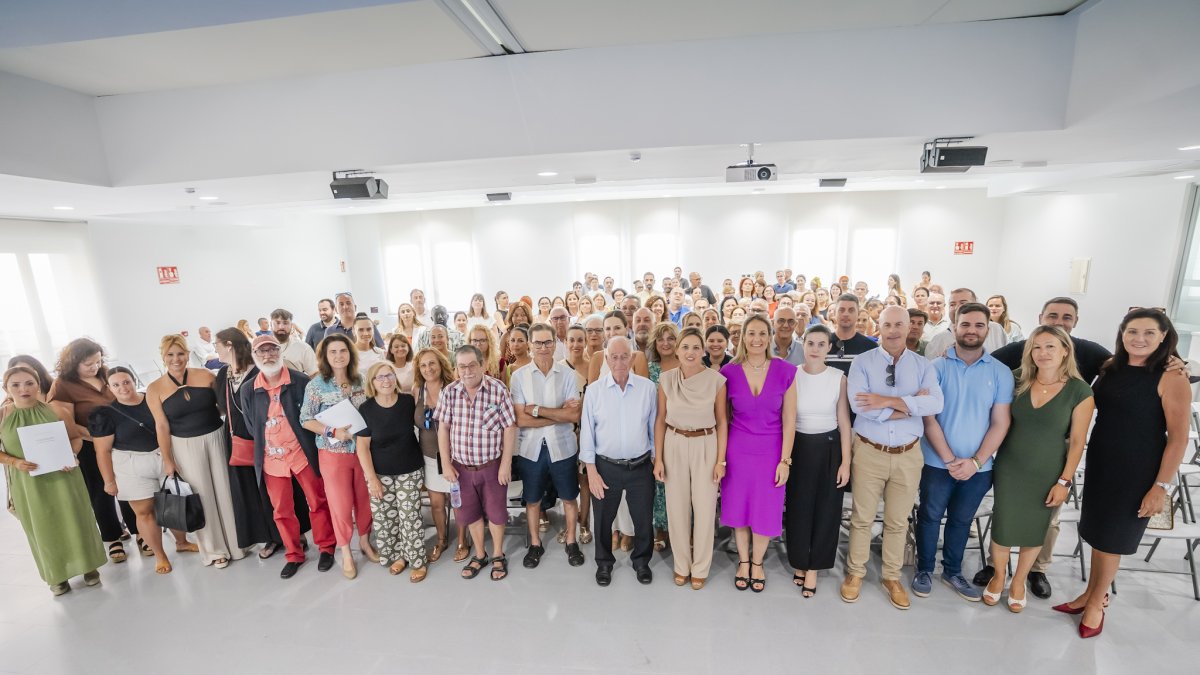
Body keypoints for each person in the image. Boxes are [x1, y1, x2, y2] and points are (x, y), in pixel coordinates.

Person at [1063, 309, 1190, 638]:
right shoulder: (1110, 367)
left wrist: (1160, 486)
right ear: (1122, 334)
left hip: (1139, 469)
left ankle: (1097, 603)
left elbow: (1178, 438)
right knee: (1096, 533)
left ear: (1164, 336)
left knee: (1113, 539)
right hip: (1103, 462)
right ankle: (1089, 594)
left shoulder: (1171, 375)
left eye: (1149, 333)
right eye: (1133, 331)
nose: (1140, 338)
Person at [984, 326, 1093, 612]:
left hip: (1047, 470)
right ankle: (998, 577)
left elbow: (1078, 442)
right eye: (1037, 347)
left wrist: (1064, 481)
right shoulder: (1017, 380)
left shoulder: (1080, 391)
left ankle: (1019, 580)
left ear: (1065, 350)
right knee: (1003, 525)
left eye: (1050, 347)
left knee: (1035, 529)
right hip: (1010, 466)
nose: (1043, 353)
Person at [842, 307, 943, 609]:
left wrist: (886, 402)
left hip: (908, 455)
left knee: (898, 520)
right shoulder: (862, 362)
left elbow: (935, 402)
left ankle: (891, 576)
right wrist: (912, 405)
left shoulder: (923, 365)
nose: (894, 330)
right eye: (888, 325)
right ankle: (855, 573)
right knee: (862, 518)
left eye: (900, 324)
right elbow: (861, 407)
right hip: (870, 451)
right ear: (879, 327)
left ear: (910, 326)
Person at [913, 303, 1013, 603]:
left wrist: (974, 462)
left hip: (978, 469)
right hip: (936, 462)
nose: (971, 330)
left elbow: (1000, 422)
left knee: (961, 520)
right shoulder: (936, 368)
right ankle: (924, 569)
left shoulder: (1001, 372)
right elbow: (928, 418)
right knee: (930, 517)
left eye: (978, 325)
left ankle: (953, 571)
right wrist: (948, 459)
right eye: (965, 324)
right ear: (954, 327)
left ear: (988, 328)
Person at [1, 365, 106, 595]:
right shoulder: (3, 415)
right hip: (28, 482)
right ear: (6, 388)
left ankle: (89, 567)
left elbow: (76, 438)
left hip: (64, 475)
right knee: (42, 527)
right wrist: (14, 462)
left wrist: (72, 455)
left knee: (76, 519)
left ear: (38, 384)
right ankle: (56, 576)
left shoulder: (56, 410)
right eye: (15, 385)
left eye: (29, 383)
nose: (23, 389)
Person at [241, 334, 337, 579]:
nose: (267, 355)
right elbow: (252, 426)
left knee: (317, 502)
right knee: (281, 511)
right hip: (271, 459)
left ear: (280, 351)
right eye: (261, 352)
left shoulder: (301, 381)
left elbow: (313, 417)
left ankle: (326, 547)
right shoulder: (248, 389)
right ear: (254, 356)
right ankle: (294, 553)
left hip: (302, 454)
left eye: (272, 350)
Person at [146, 334, 243, 568]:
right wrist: (167, 460)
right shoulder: (155, 389)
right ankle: (213, 550)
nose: (176, 359)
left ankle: (238, 544)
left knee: (225, 491)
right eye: (170, 355)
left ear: (188, 355)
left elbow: (225, 407)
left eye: (180, 354)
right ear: (163, 357)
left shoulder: (206, 376)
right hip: (185, 445)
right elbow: (161, 426)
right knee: (203, 496)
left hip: (216, 437)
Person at [720, 314, 797, 592]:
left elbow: (790, 420)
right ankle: (743, 561)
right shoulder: (728, 372)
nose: (756, 339)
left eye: (762, 333)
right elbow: (723, 419)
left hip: (771, 451)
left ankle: (757, 563)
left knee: (765, 510)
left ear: (770, 336)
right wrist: (721, 458)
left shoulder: (785, 370)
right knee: (739, 508)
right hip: (737, 451)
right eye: (751, 333)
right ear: (742, 337)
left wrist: (785, 460)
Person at [436, 345, 518, 582]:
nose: (468, 371)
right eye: (462, 366)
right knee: (470, 514)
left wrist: (505, 464)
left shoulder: (498, 390)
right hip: (461, 469)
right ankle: (480, 554)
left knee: (496, 514)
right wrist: (446, 463)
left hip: (491, 467)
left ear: (482, 365)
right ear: (456, 369)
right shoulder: (449, 392)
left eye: (472, 365)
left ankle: (498, 554)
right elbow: (443, 429)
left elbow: (509, 428)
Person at [653, 327, 727, 590]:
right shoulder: (666, 379)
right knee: (677, 507)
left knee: (705, 508)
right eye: (685, 347)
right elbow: (660, 420)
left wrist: (721, 460)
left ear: (703, 350)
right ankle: (681, 564)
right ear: (677, 349)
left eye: (696, 347)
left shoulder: (716, 380)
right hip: (674, 442)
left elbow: (722, 421)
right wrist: (659, 458)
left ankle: (701, 567)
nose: (691, 352)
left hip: (706, 444)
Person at [299, 333, 377, 579]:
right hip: (333, 454)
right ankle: (345, 551)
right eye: (333, 352)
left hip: (362, 451)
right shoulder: (316, 385)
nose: (338, 356)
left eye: (343, 351)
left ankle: (364, 541)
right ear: (325, 356)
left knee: (364, 500)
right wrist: (332, 431)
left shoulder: (361, 381)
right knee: (340, 504)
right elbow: (305, 420)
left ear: (350, 354)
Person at [581, 337, 658, 587]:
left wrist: (657, 460)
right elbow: (587, 433)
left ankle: (641, 562)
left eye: (624, 356)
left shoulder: (648, 388)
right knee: (603, 519)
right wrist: (591, 470)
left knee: (643, 517)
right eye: (613, 356)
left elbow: (653, 428)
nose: (619, 361)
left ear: (633, 358)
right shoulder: (594, 391)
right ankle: (604, 563)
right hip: (605, 467)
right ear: (606, 359)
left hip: (641, 465)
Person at [213, 328, 295, 562]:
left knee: (271, 490)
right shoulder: (223, 375)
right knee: (246, 490)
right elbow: (221, 405)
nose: (215, 350)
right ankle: (266, 536)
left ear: (229, 345)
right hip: (235, 438)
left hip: (266, 438)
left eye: (217, 344)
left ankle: (287, 535)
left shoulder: (259, 371)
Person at [511, 323, 585, 569]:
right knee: (532, 500)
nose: (543, 348)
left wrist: (537, 410)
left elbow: (573, 416)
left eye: (548, 342)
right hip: (530, 449)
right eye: (538, 343)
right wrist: (556, 414)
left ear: (556, 344)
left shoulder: (568, 375)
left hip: (562, 446)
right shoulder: (518, 377)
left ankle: (571, 541)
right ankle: (535, 544)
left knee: (569, 497)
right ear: (530, 345)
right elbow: (520, 419)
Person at [47, 338, 127, 564]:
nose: (94, 367)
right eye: (88, 364)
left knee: (126, 485)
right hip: (90, 445)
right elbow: (67, 423)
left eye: (98, 361)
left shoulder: (106, 374)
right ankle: (113, 539)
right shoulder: (63, 384)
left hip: (120, 442)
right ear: (74, 362)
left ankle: (138, 531)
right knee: (101, 492)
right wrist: (99, 438)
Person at [786, 325, 851, 598]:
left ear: (829, 347)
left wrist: (846, 462)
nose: (815, 349)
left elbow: (844, 422)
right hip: (798, 445)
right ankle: (800, 561)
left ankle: (814, 567)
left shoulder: (839, 378)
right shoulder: (792, 375)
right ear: (803, 344)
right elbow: (787, 419)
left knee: (826, 508)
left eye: (821, 344)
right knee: (799, 507)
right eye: (810, 343)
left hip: (828, 447)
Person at [90, 366, 175, 574]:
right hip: (130, 464)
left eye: (126, 382)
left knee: (173, 504)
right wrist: (109, 481)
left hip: (163, 456)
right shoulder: (105, 414)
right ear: (109, 388)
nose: (123, 388)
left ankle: (181, 542)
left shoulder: (152, 398)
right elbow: (102, 451)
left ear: (134, 380)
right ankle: (160, 555)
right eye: (116, 384)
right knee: (144, 511)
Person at [354, 361, 428, 582]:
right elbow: (362, 448)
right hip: (379, 474)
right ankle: (398, 556)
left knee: (409, 517)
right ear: (372, 382)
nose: (386, 380)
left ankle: (417, 560)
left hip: (410, 469)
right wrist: (372, 479)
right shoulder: (366, 409)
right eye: (380, 377)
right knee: (386, 519)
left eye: (390, 375)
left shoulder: (407, 402)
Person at [412, 347, 467, 563]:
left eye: (432, 363)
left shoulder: (454, 388)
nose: (428, 368)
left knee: (458, 501)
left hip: (455, 456)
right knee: (436, 503)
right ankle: (442, 540)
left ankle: (463, 540)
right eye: (423, 365)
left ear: (441, 363)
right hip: (429, 456)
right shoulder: (418, 390)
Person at [646, 321, 681, 551]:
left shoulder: (687, 364)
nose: (666, 343)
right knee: (659, 484)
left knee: (682, 484)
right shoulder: (649, 369)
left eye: (670, 338)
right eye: (661, 339)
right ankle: (661, 529)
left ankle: (682, 530)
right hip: (656, 431)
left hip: (683, 432)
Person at [558, 324, 594, 545]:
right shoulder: (558, 369)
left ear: (586, 342)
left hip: (587, 433)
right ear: (565, 342)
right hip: (565, 432)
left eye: (580, 340)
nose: (576, 344)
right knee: (567, 482)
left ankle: (584, 524)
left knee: (585, 482)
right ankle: (569, 523)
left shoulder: (593, 368)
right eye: (572, 340)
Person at [924, 288, 1008, 359]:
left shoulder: (996, 330)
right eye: (952, 304)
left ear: (976, 304)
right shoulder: (939, 340)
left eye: (963, 303)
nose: (957, 308)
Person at [826, 294, 877, 375]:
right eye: (841, 310)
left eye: (851, 310)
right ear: (835, 313)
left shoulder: (870, 347)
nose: (846, 314)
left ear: (857, 314)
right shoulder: (823, 343)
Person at [271, 309, 318, 376]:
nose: (281, 327)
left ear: (291, 326)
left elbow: (314, 375)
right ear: (271, 325)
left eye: (285, 323)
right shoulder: (260, 348)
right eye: (277, 323)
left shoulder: (304, 348)